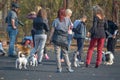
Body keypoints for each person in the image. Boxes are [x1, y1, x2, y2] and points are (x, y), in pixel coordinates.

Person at [49, 8, 74, 73]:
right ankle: (69, 67)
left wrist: (50, 38)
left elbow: (52, 31)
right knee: (65, 53)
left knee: (57, 54)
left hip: (57, 39)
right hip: (64, 39)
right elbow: (69, 28)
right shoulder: (68, 20)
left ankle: (59, 68)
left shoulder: (55, 21)